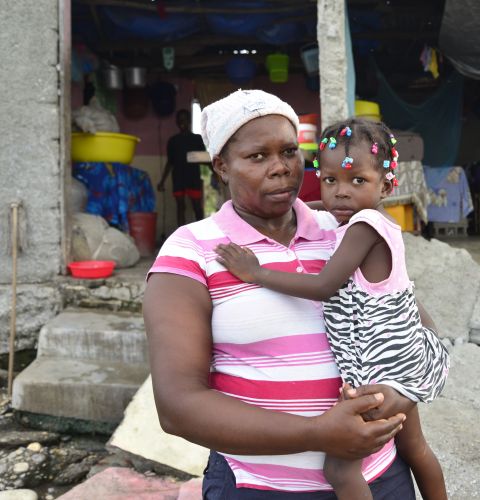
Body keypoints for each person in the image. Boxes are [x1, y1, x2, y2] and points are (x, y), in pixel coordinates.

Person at [144, 90, 428, 499]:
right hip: (260, 486)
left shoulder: (345, 230)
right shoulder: (192, 250)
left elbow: (411, 322)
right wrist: (318, 433)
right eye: (257, 156)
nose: (280, 168)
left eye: (289, 151)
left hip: (378, 477)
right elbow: (177, 405)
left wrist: (397, 396)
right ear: (221, 166)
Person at [215, 117, 450, 500]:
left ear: (387, 185)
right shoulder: (373, 223)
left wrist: (255, 272)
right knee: (415, 447)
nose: (341, 193)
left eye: (357, 181)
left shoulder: (363, 228)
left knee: (339, 468)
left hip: (380, 369)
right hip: (400, 357)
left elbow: (324, 286)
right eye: (330, 181)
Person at [157, 108, 205, 226]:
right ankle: (181, 237)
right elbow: (170, 162)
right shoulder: (173, 141)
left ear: (189, 121)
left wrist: (216, 173)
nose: (181, 122)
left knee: (197, 207)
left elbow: (205, 159)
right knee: (180, 207)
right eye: (179, 120)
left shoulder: (197, 139)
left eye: (184, 119)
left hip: (193, 178)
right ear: (177, 122)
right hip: (178, 178)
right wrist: (162, 181)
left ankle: (203, 236)